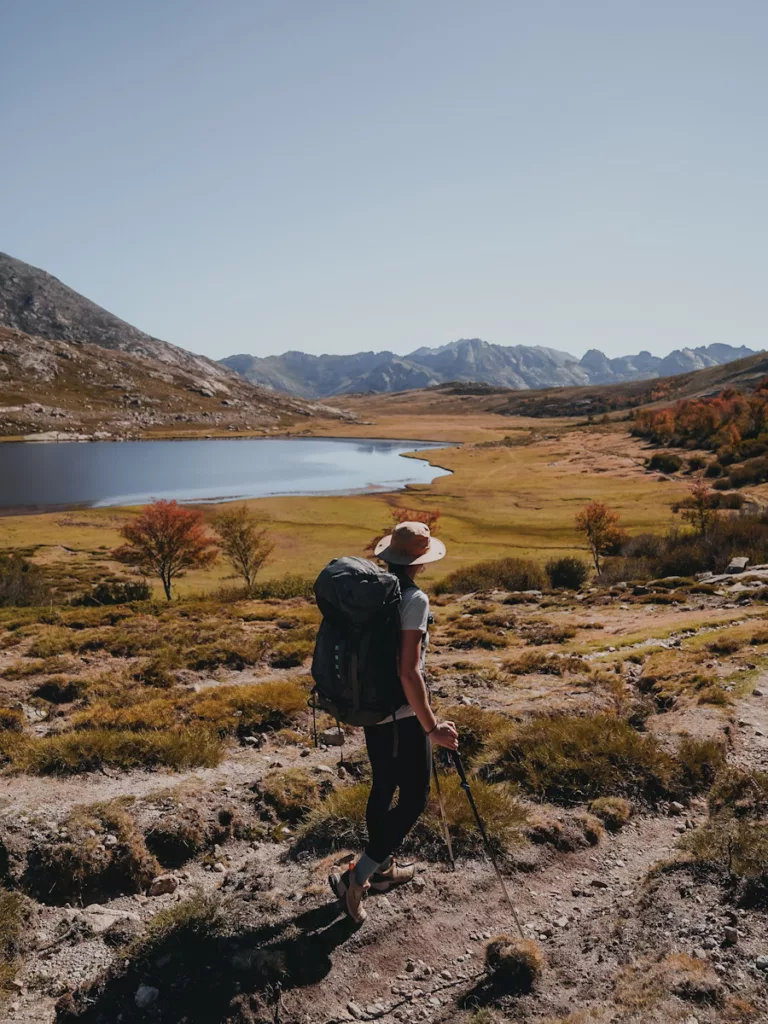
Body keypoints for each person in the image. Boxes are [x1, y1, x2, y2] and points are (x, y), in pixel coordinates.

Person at [329, 521, 459, 924]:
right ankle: (360, 876)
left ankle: (382, 869)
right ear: (419, 560)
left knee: (384, 785)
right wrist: (431, 726)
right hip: (402, 713)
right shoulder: (414, 599)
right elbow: (409, 672)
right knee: (415, 796)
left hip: (372, 708)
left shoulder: (375, 594)